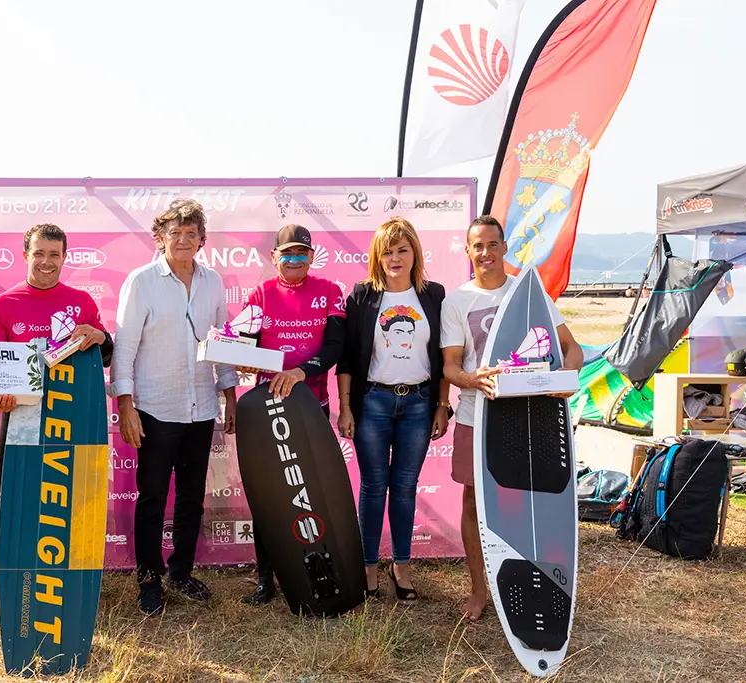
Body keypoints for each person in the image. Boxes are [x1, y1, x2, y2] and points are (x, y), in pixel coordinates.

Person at [440, 214, 583, 620]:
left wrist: (565, 380)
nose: (485, 253)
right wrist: (471, 379)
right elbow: (450, 367)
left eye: (492, 244)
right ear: (468, 252)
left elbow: (571, 349)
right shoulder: (457, 301)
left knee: (529, 503)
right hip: (476, 415)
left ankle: (531, 581)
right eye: (477, 246)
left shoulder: (528, 294)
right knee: (473, 502)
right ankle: (478, 590)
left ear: (504, 247)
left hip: (528, 418)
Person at [0, 222, 114, 618]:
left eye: (55, 254)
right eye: (39, 253)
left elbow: (105, 356)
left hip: (73, 418)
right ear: (25, 255)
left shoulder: (82, 301)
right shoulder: (4, 304)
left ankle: (77, 588)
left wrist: (99, 336)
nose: (47, 262)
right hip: (20, 418)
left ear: (64, 257)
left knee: (73, 501)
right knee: (11, 504)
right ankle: (5, 591)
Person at [112, 198, 238, 617]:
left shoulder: (214, 282)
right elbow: (124, 349)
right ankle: (148, 578)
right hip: (154, 409)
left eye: (191, 233)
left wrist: (229, 395)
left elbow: (222, 343)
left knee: (191, 498)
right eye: (175, 233)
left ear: (202, 239)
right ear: (160, 237)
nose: (183, 240)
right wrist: (126, 406)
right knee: (151, 499)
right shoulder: (141, 281)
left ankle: (180, 572)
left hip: (201, 408)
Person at [336, 217, 451, 603]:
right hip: (374, 403)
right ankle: (368, 567)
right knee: (372, 488)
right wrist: (345, 409)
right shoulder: (363, 296)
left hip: (419, 403)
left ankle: (400, 565)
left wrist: (441, 405)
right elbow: (349, 359)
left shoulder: (433, 295)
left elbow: (444, 356)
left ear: (415, 252)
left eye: (403, 249)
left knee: (404, 488)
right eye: (388, 251)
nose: (395, 257)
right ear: (377, 256)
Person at [233, 224, 346, 606]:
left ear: (312, 257)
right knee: (270, 495)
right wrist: (232, 350)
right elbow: (243, 344)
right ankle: (267, 580)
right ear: (273, 257)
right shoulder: (260, 294)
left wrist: (301, 371)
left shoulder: (329, 291)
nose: (294, 260)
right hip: (267, 407)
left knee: (314, 493)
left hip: (312, 405)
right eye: (287, 254)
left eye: (302, 254)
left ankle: (325, 573)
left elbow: (335, 347)